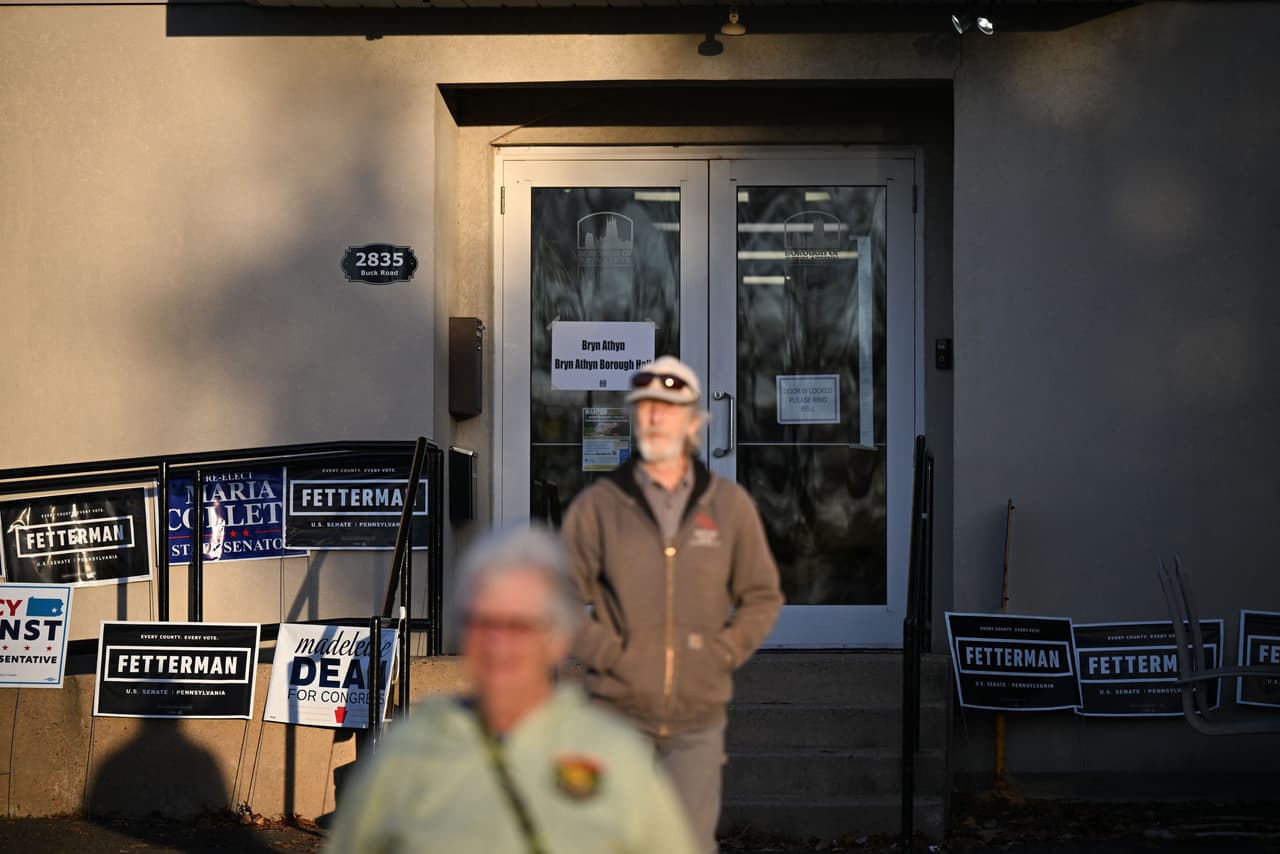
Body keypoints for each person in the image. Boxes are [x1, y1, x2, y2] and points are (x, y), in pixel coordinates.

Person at [323, 525, 697, 854]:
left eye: (518, 625)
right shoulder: (405, 753)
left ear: (559, 638)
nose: (497, 644)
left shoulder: (616, 756)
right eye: (481, 622)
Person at [561, 355, 784, 854]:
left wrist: (721, 654)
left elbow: (762, 595)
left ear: (692, 422)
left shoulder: (729, 506)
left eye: (668, 408)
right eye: (644, 409)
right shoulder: (598, 507)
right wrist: (612, 656)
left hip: (695, 718)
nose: (655, 419)